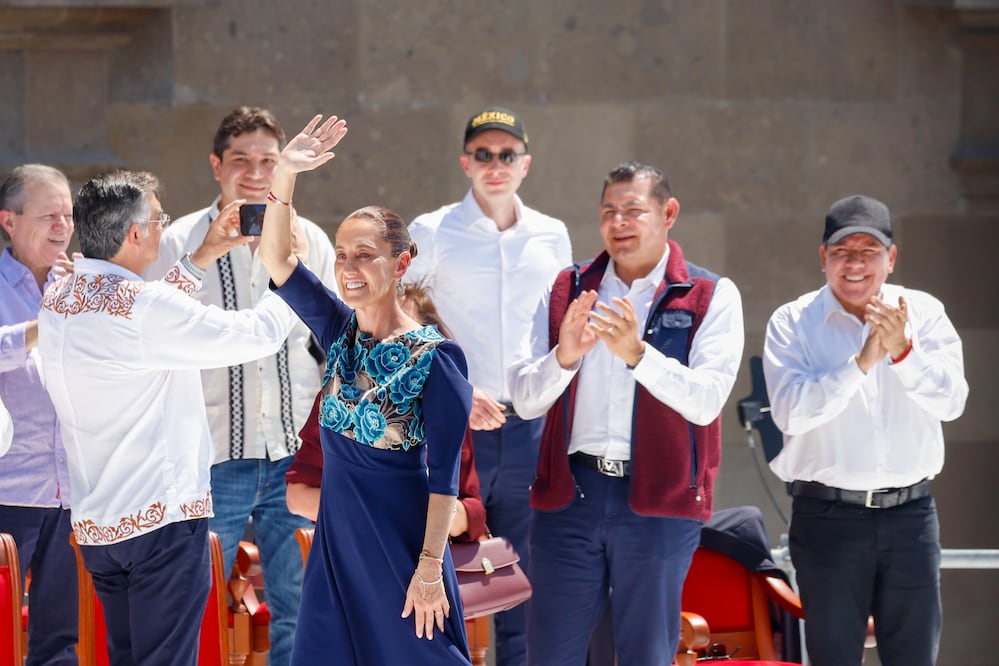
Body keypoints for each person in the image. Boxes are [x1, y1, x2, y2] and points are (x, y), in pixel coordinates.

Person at [36, 169, 299, 666]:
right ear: (134, 233)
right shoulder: (143, 309)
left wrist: (203, 254)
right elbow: (257, 334)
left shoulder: (60, 299)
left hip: (100, 526)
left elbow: (148, 319)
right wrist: (291, 272)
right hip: (160, 524)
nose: (163, 227)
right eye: (159, 220)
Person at [509, 161, 744, 665]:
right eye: (609, 212)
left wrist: (638, 355)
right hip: (571, 496)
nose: (620, 222)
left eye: (634, 210)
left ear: (669, 213)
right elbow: (526, 399)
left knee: (645, 655)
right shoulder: (566, 290)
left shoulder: (708, 295)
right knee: (550, 653)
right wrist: (565, 357)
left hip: (659, 505)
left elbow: (706, 400)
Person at [258, 114, 473, 665]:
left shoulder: (438, 358)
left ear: (401, 262)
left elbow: (445, 479)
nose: (349, 268)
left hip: (403, 551)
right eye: (343, 255)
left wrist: (428, 570)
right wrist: (284, 172)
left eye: (365, 255)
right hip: (338, 550)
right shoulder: (339, 332)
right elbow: (278, 259)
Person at [144, 106, 336, 666]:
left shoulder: (313, 240)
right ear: (215, 165)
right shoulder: (179, 240)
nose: (255, 173)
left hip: (292, 459)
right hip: (209, 458)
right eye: (240, 160)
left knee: (300, 604)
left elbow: (336, 338)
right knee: (196, 604)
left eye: (268, 161)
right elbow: (153, 332)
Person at [763, 195, 968, 666]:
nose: (855, 264)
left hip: (910, 517)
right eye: (842, 251)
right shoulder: (792, 322)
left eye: (869, 251)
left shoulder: (926, 314)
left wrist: (903, 353)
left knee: (914, 656)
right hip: (828, 520)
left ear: (891, 259)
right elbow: (791, 414)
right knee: (833, 656)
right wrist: (861, 364)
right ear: (823, 259)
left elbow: (953, 403)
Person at [406, 106, 572, 666]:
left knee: (520, 577)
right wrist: (451, 388)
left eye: (506, 155)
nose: (495, 165)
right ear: (465, 163)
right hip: (456, 429)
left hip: (529, 427)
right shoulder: (432, 231)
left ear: (525, 164)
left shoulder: (552, 235)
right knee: (444, 566)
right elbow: (397, 318)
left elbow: (561, 327)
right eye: (483, 155)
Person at [286, 282, 488, 545]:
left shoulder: (447, 405)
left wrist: (437, 514)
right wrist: (392, 512)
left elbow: (473, 513)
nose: (394, 342)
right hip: (357, 552)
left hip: (428, 560)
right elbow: (298, 497)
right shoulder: (336, 398)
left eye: (404, 330)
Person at [0, 163, 78, 666]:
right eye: (49, 215)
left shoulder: (83, 285)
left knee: (62, 643)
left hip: (74, 492)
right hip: (8, 489)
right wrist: (44, 322)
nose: (62, 227)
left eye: (68, 215)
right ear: (8, 221)